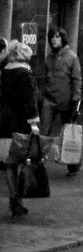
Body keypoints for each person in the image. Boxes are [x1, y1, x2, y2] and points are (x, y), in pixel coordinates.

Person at [1, 40, 41, 217]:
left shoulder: (4, 72)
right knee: (21, 162)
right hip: (20, 123)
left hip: (3, 123)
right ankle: (18, 202)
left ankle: (13, 199)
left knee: (9, 164)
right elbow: (29, 101)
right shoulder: (24, 74)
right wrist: (34, 123)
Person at [41, 26, 81, 177]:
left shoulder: (72, 57)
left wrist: (76, 102)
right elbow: (44, 78)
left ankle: (73, 165)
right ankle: (38, 162)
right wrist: (42, 95)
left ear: (63, 38)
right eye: (51, 37)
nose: (54, 39)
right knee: (44, 132)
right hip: (49, 100)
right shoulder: (48, 58)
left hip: (67, 101)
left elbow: (77, 80)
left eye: (57, 36)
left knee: (69, 134)